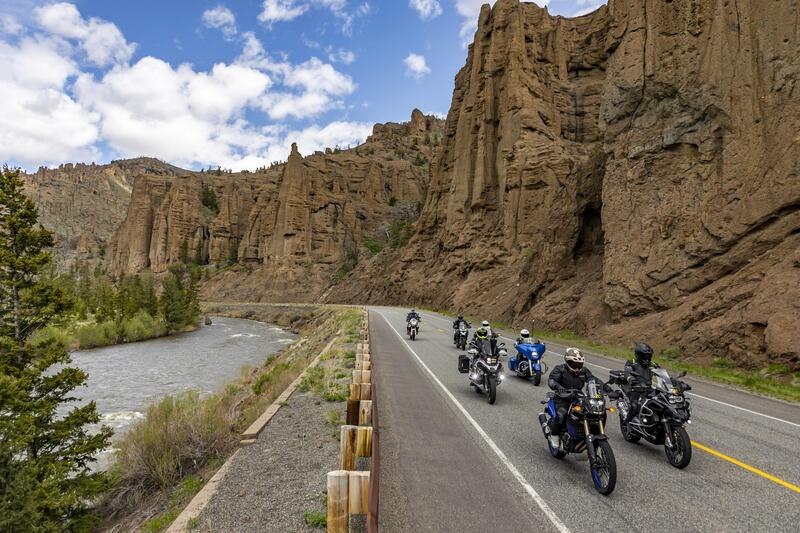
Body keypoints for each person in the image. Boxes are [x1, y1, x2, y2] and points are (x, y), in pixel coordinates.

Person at [546, 348, 603, 449]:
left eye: (579, 364)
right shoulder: (560, 369)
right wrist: (560, 389)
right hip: (562, 398)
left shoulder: (584, 371)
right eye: (574, 364)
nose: (577, 367)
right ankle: (554, 437)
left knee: (592, 412)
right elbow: (552, 380)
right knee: (561, 415)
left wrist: (608, 390)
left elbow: (593, 380)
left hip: (577, 398)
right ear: (567, 362)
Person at [622, 342, 656, 423]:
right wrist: (631, 379)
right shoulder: (632, 363)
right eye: (645, 356)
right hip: (635, 389)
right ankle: (627, 421)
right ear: (638, 355)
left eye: (649, 356)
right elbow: (627, 372)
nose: (647, 358)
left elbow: (662, 373)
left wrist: (673, 382)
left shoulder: (653, 364)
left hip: (648, 389)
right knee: (634, 406)